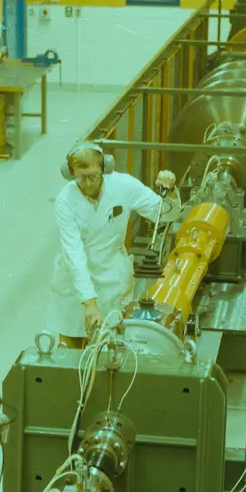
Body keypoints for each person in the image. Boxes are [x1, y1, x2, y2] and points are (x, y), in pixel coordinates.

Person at [51, 142, 183, 347]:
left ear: (105, 169)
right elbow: (74, 253)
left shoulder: (123, 186)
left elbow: (164, 213)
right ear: (70, 174)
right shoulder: (65, 200)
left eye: (93, 176)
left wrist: (170, 190)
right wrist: (89, 303)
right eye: (81, 177)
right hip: (74, 284)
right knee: (72, 345)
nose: (88, 184)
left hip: (112, 279)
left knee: (111, 347)